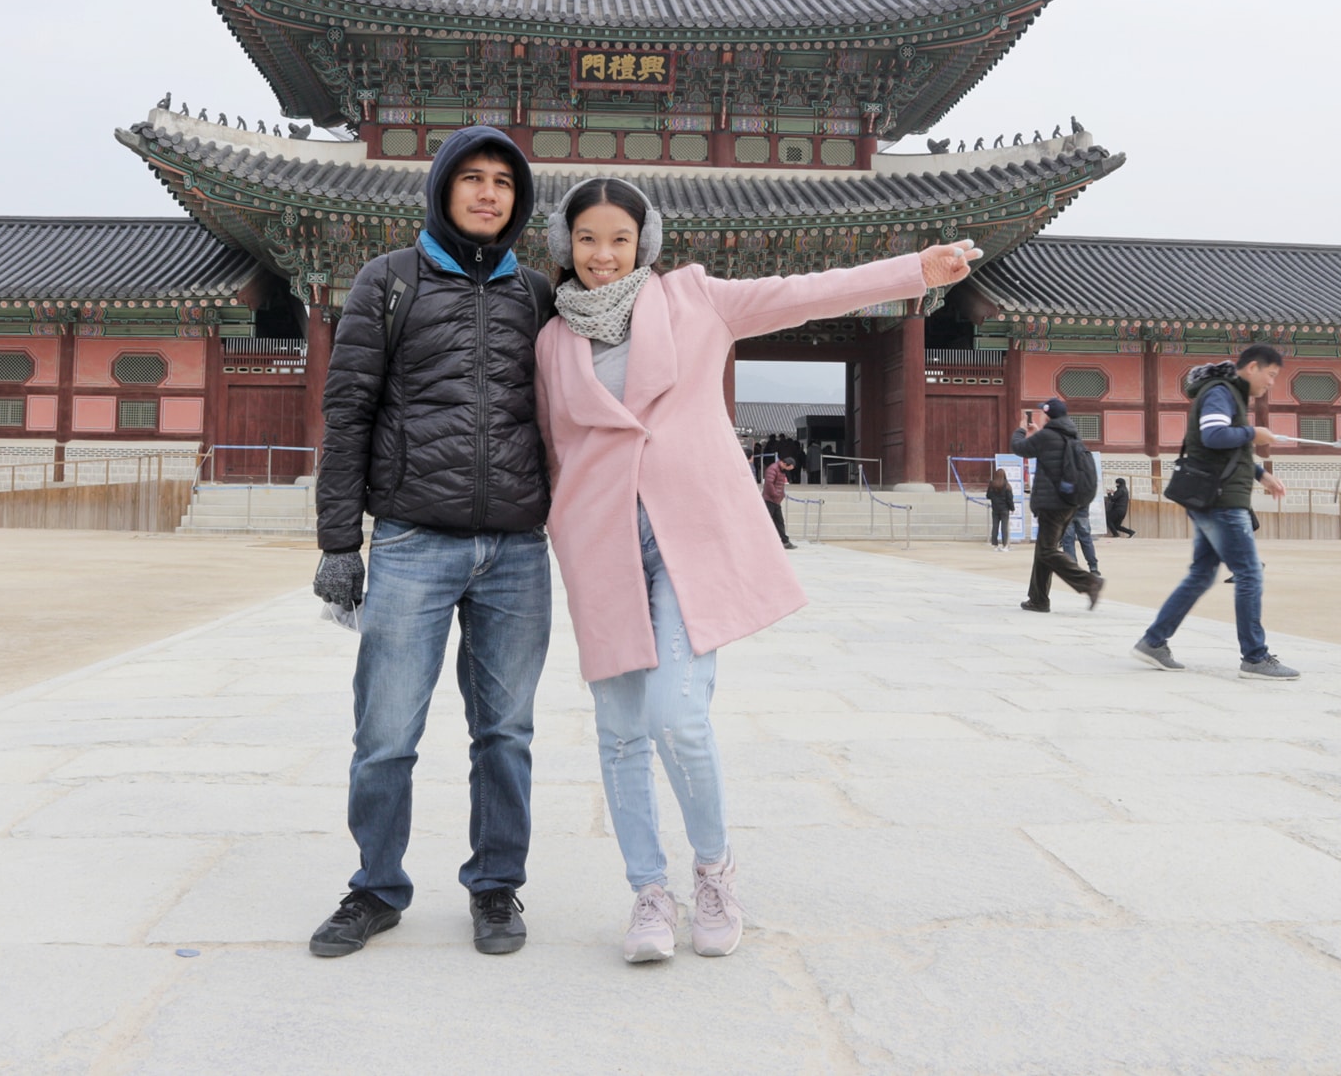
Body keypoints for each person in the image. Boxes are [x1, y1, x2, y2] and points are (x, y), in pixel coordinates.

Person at [533, 176, 979, 963]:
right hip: (600, 545)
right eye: (588, 239)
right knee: (620, 732)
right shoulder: (551, 340)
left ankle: (713, 869)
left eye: (620, 239)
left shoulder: (697, 300)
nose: (603, 256)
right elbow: (552, 446)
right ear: (564, 244)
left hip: (688, 536)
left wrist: (915, 270)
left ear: (647, 244)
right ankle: (647, 892)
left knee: (677, 713)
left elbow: (806, 293)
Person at [306, 125, 554, 959]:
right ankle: (375, 886)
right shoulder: (388, 283)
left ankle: (496, 885)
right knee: (384, 731)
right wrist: (341, 542)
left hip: (517, 549)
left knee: (507, 733)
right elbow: (347, 416)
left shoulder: (538, 295)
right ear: (443, 188)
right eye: (472, 179)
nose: (489, 194)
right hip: (413, 539)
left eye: (504, 183)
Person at [1132, 346, 1299, 679]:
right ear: (1252, 367)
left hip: (1215, 495)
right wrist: (1255, 433)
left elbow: (1229, 450)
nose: (1271, 383)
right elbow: (1213, 436)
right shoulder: (1221, 393)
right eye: (1271, 375)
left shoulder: (1230, 394)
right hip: (1221, 499)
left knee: (1202, 574)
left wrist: (1261, 475)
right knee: (1249, 573)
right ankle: (1254, 657)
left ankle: (1153, 641)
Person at [1011, 398, 1103, 612]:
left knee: (1047, 551)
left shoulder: (1046, 437)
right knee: (1043, 550)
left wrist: (1021, 429)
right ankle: (1038, 599)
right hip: (1069, 503)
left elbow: (1018, 448)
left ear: (1047, 415)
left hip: (1051, 504)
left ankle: (1089, 582)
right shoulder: (1072, 435)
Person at [763, 454, 798, 549]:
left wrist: (781, 495)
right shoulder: (773, 468)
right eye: (789, 468)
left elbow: (781, 484)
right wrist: (775, 494)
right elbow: (769, 483)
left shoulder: (782, 470)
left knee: (779, 522)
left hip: (776, 500)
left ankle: (785, 541)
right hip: (769, 500)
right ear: (785, 464)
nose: (788, 470)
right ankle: (761, 541)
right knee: (765, 521)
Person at [1060, 505, 1101, 572]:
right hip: (1082, 513)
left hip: (1066, 513)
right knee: (1086, 541)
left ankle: (1073, 568)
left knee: (1068, 542)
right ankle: (1093, 567)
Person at [987, 467, 1015, 552]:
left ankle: (995, 545)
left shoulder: (992, 484)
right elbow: (1009, 498)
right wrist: (1012, 508)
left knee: (995, 526)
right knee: (1004, 527)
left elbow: (988, 495)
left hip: (995, 508)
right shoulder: (1007, 485)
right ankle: (1005, 545)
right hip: (1004, 509)